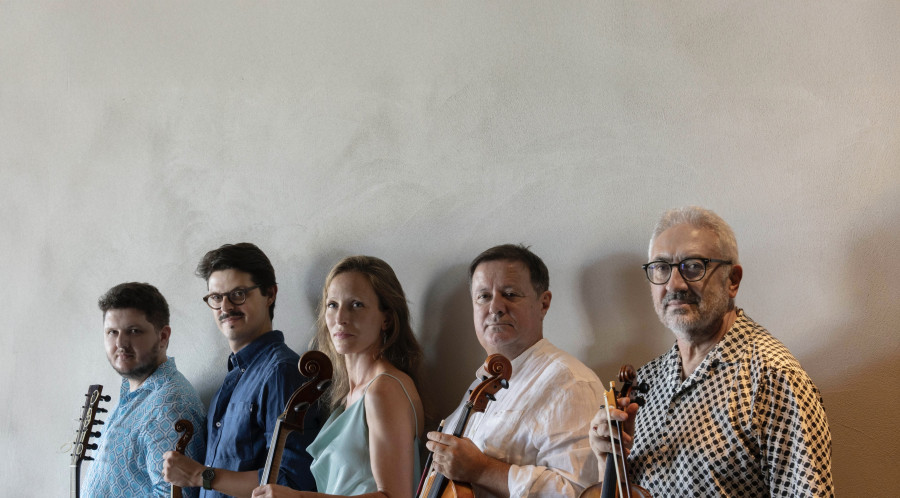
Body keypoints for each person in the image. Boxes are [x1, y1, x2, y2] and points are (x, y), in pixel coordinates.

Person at [589, 206, 834, 497]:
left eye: (693, 266)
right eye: (662, 268)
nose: (674, 284)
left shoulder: (773, 378)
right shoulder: (646, 380)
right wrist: (609, 463)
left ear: (733, 280)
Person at [425, 244, 604, 497]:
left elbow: (580, 492)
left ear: (543, 304)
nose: (495, 307)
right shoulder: (481, 384)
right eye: (483, 296)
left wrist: (482, 470)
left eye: (510, 294)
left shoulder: (571, 383)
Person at [252, 255, 425, 498]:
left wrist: (298, 497)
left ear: (386, 318)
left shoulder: (384, 389)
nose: (340, 318)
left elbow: (394, 496)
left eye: (356, 305)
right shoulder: (349, 395)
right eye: (332, 305)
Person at [163, 243, 324, 498]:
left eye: (238, 294)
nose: (225, 307)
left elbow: (291, 481)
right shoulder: (233, 378)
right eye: (216, 297)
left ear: (270, 294)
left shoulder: (281, 372)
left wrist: (200, 476)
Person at [83, 282, 206, 498]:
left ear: (163, 337)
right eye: (112, 332)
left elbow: (171, 495)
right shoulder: (134, 394)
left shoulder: (169, 405)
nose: (120, 343)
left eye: (133, 331)